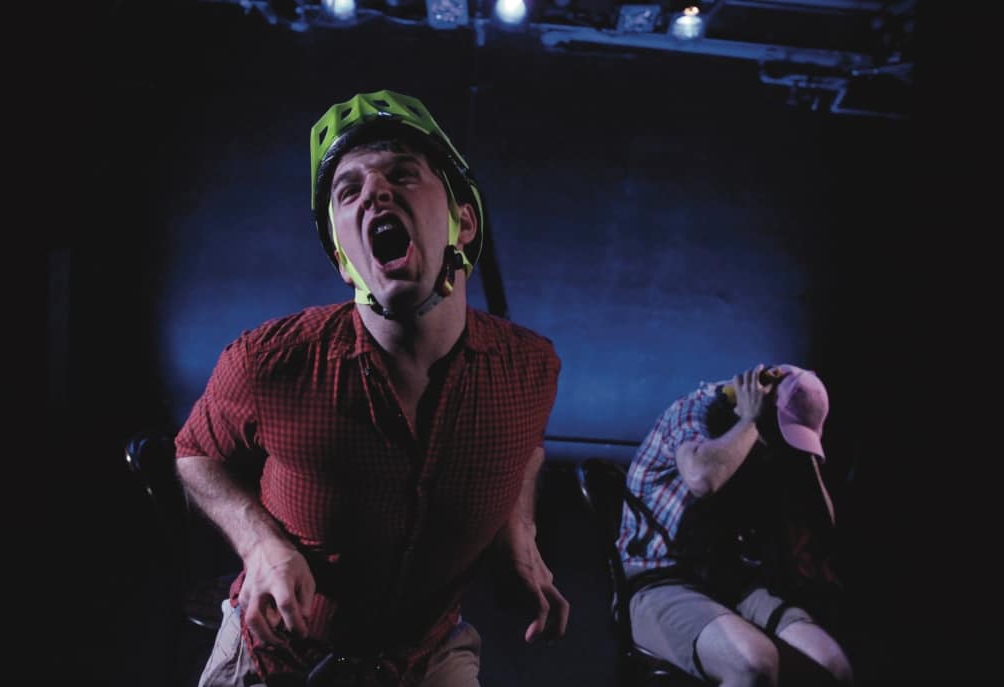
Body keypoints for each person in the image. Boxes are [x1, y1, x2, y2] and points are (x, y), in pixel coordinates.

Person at [174, 89, 569, 687]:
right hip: (281, 657)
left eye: (403, 174)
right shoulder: (268, 363)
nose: (375, 193)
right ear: (343, 259)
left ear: (464, 222)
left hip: (427, 657)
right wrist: (259, 545)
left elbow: (526, 448)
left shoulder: (529, 370)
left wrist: (518, 527)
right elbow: (194, 455)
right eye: (348, 190)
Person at [617, 364, 853, 686]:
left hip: (727, 581)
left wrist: (804, 455)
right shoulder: (694, 411)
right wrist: (750, 420)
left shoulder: (772, 441)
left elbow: (822, 529)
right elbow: (702, 479)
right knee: (753, 664)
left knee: (833, 668)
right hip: (657, 582)